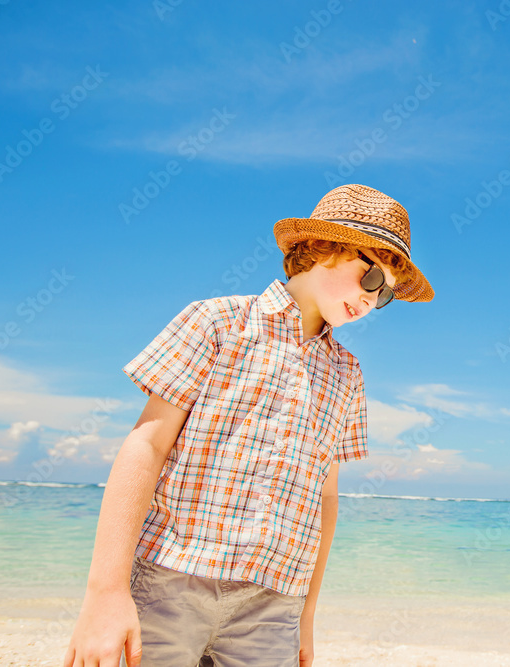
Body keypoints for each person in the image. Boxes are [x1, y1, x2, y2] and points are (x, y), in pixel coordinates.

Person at [63, 184, 434, 667]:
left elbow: (324, 498)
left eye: (384, 295)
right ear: (326, 247)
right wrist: (105, 592)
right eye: (370, 280)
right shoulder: (217, 323)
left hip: (275, 605)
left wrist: (306, 615)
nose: (371, 301)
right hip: (170, 580)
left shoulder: (348, 373)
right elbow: (147, 446)